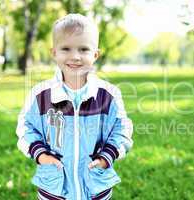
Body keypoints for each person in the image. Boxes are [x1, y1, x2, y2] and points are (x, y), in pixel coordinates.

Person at [16, 13, 133, 200]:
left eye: (83, 49)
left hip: (95, 186)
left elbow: (122, 128)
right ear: (54, 52)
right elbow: (26, 127)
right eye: (66, 49)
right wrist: (41, 155)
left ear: (95, 54)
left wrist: (106, 157)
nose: (75, 56)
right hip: (54, 187)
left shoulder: (108, 95)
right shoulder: (41, 95)